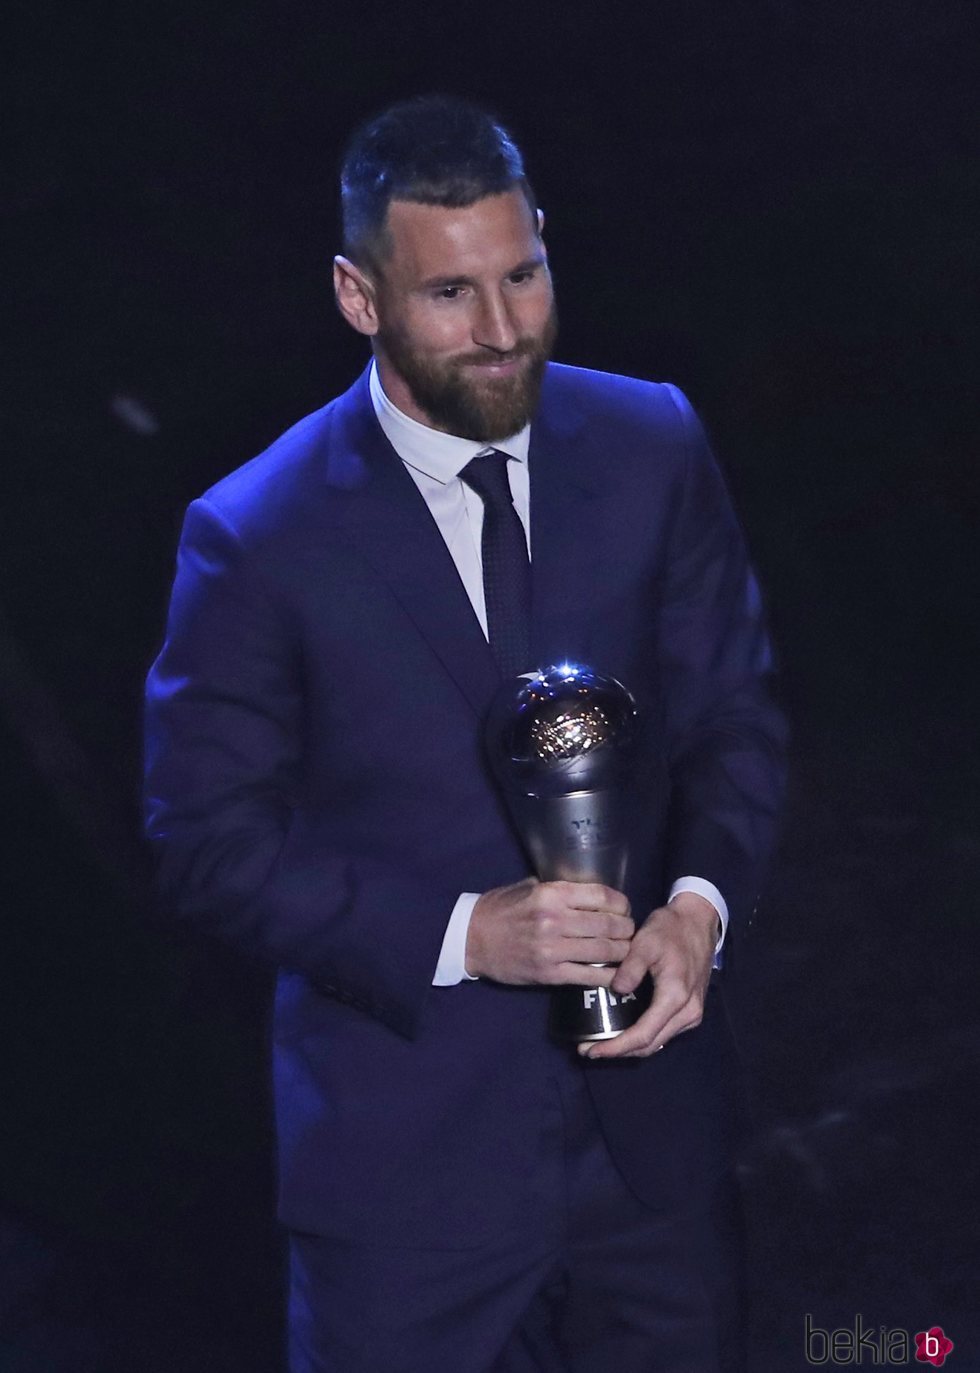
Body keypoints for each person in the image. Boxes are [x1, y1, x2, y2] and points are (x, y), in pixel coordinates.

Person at [144, 95, 786, 1373]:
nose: (501, 333)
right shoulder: (254, 534)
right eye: (449, 295)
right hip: (403, 1185)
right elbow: (203, 841)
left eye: (524, 276)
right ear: (356, 292)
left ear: (544, 241)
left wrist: (699, 906)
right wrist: (463, 935)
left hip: (647, 1155)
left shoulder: (650, 440)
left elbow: (733, 719)